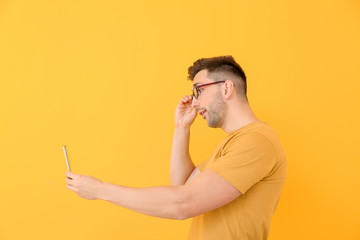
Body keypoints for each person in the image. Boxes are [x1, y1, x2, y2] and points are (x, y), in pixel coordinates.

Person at [65, 55, 287, 240]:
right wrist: (181, 127)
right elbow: (182, 185)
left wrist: (100, 190)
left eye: (199, 91)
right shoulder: (233, 144)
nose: (195, 102)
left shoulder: (256, 141)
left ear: (227, 88)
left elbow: (183, 204)